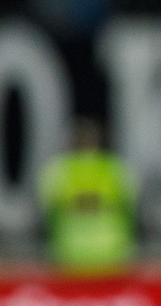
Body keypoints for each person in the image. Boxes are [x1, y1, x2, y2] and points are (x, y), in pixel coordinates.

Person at [37, 118, 138, 275]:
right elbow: (130, 209)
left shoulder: (57, 171)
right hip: (110, 254)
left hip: (71, 254)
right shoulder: (116, 169)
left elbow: (48, 212)